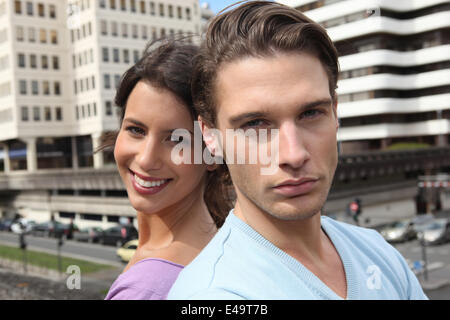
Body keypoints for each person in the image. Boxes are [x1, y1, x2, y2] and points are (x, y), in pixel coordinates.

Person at [168, 1, 428, 300]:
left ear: (335, 112)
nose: (293, 154)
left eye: (310, 113)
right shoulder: (211, 295)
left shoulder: (377, 251)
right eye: (255, 123)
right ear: (210, 137)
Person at [103, 38, 232, 300]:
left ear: (211, 152)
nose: (147, 159)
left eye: (175, 139)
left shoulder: (148, 287)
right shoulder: (222, 248)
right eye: (136, 130)